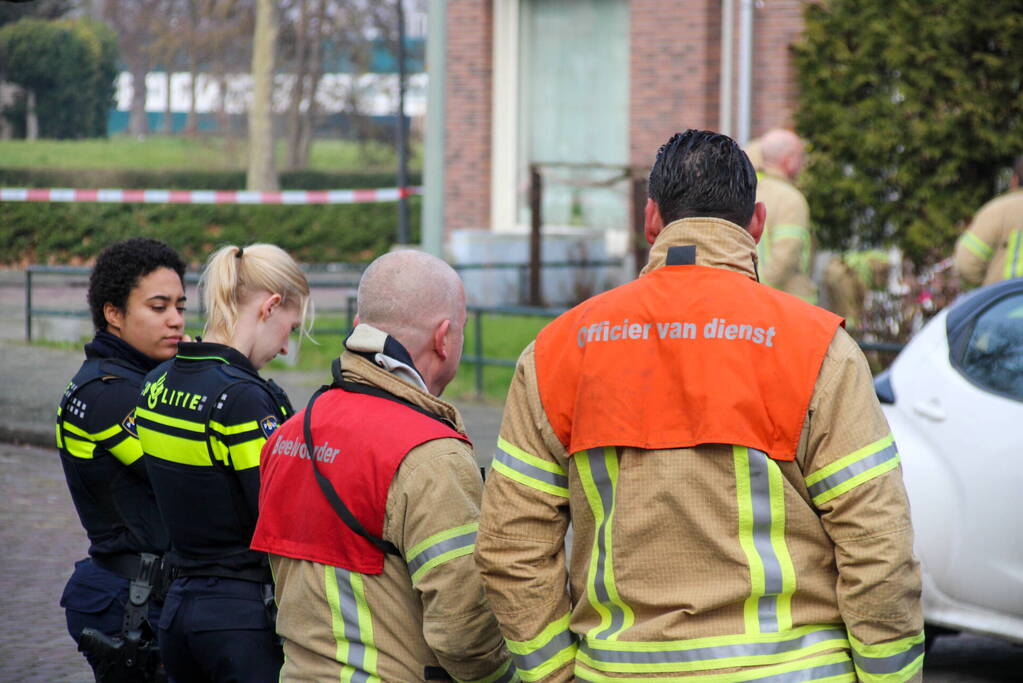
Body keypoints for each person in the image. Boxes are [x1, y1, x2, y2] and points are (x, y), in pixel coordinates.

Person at [475, 130, 925, 682]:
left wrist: (552, 674)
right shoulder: (816, 348)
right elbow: (878, 542)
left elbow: (510, 546)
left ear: (650, 220)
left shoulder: (558, 351)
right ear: (756, 223)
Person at [251, 250, 516, 682]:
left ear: (360, 329)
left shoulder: (290, 434)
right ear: (444, 337)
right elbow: (463, 633)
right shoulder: (430, 456)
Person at [136, 243, 310, 682]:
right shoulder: (245, 400)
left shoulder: (154, 385)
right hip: (240, 622)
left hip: (177, 613)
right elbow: (281, 521)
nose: (286, 348)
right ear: (270, 307)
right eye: (291, 328)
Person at [57, 237, 187, 681]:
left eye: (180, 306)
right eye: (158, 307)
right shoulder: (109, 394)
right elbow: (184, 477)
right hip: (130, 600)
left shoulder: (141, 381)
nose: (176, 320)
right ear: (114, 313)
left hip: (147, 591)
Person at [756, 128, 817, 303]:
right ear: (788, 160)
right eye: (800, 157)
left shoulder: (750, 191)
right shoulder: (791, 198)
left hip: (755, 301)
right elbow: (786, 254)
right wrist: (762, 290)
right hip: (788, 302)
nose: (803, 163)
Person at [954, 154, 1023, 288]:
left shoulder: (999, 211)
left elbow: (966, 262)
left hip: (1007, 302)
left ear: (1014, 180)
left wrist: (990, 285)